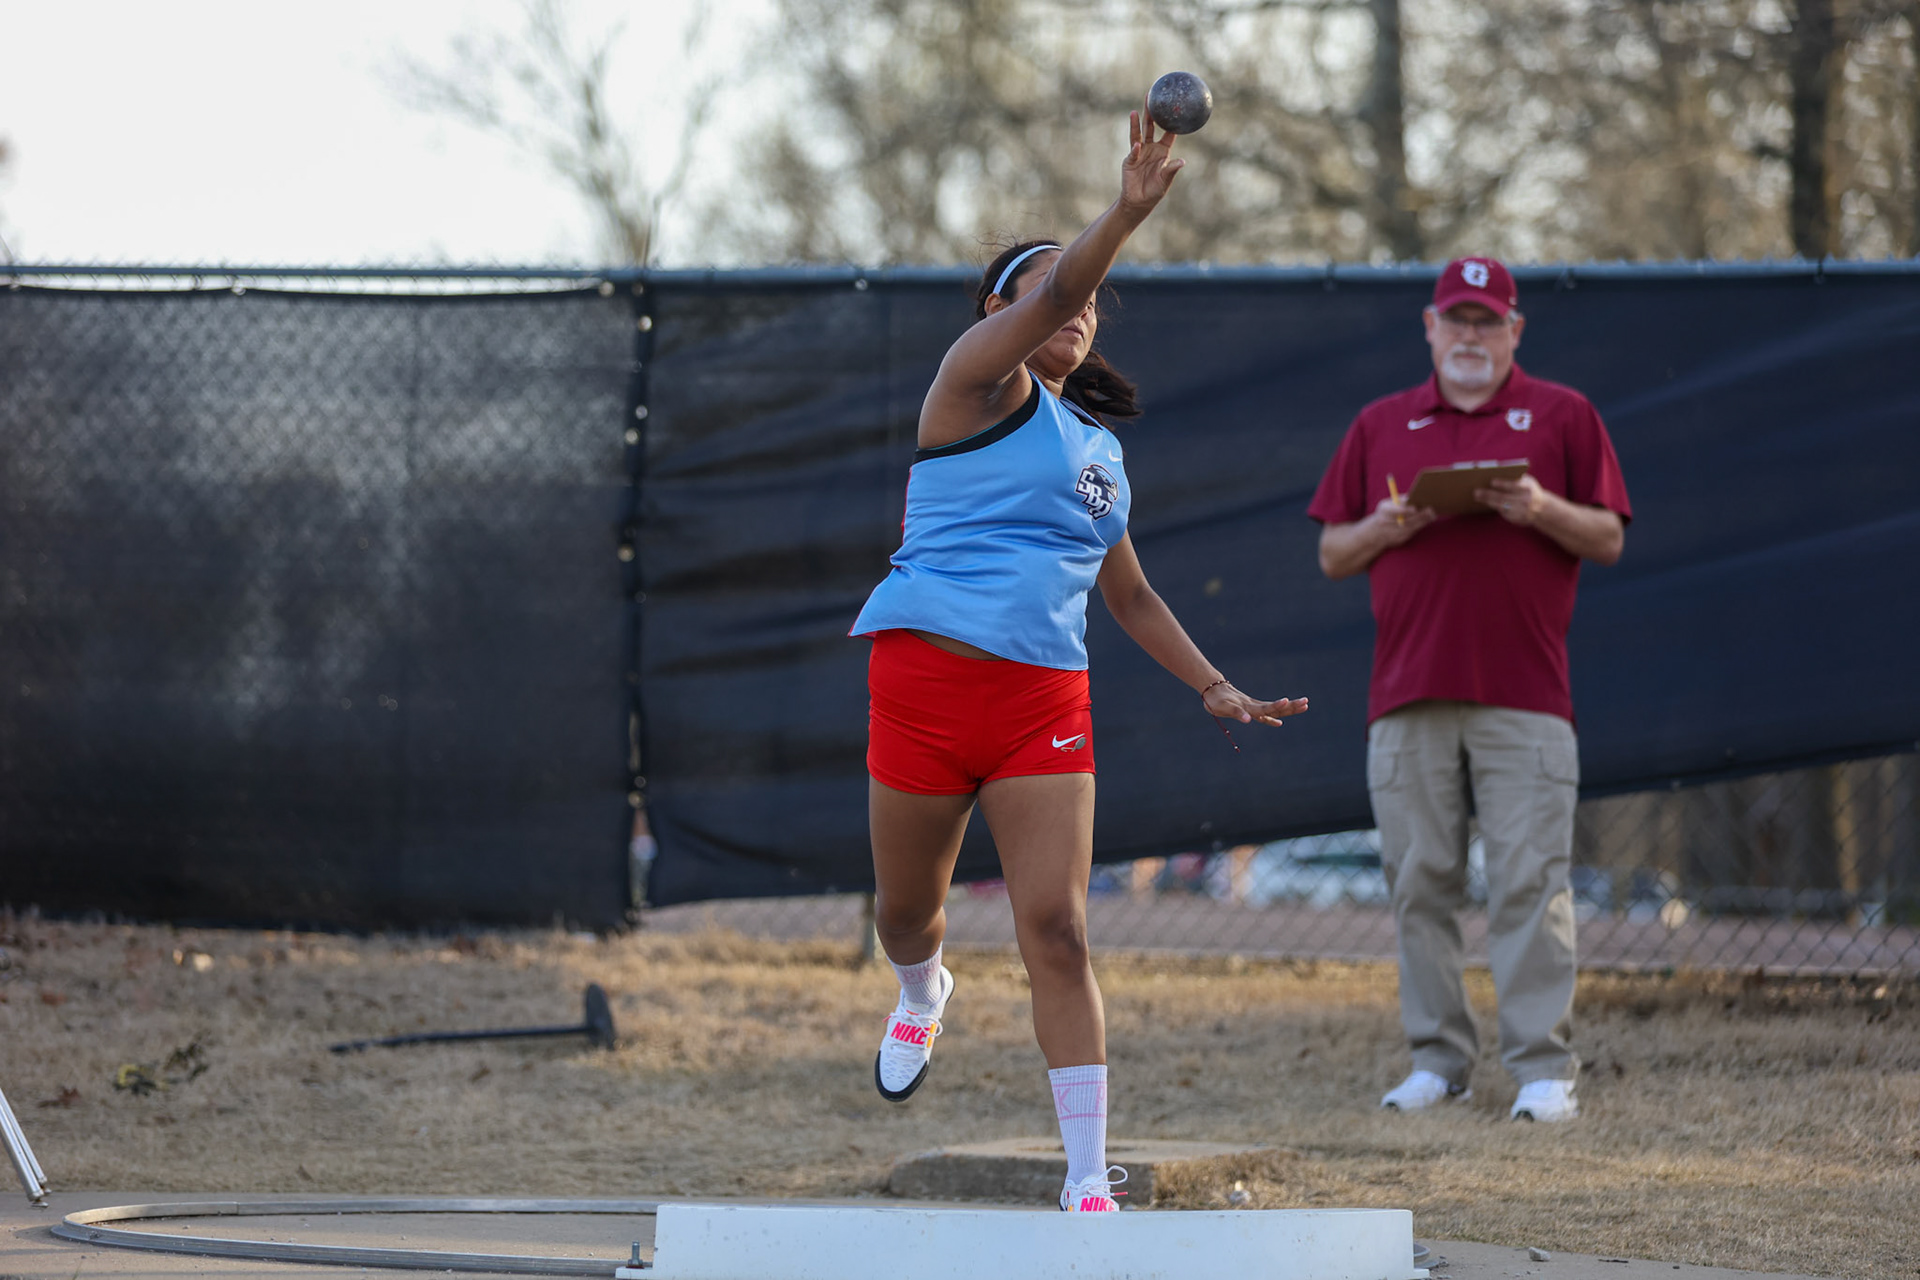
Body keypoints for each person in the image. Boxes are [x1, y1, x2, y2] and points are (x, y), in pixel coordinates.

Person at [849, 100, 1308, 1212]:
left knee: (1057, 924)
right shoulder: (968, 385)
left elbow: (1134, 592)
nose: (1079, 308)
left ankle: (1089, 1177)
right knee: (904, 911)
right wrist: (1125, 211)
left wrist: (1214, 683)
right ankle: (921, 987)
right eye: (1057, 291)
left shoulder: (1100, 453)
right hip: (923, 681)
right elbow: (1054, 285)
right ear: (995, 310)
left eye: (1094, 300)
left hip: (1042, 700)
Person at [1307, 257, 1630, 1123]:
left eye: (1490, 322)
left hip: (1526, 696)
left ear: (1515, 332)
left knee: (1531, 880)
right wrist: (1386, 522)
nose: (1473, 338)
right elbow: (1333, 553)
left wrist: (1540, 508)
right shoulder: (1382, 422)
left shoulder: (1563, 415)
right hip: (1407, 695)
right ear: (1430, 328)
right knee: (1420, 881)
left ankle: (1542, 1071)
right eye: (1459, 321)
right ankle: (1439, 1063)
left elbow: (1607, 537)